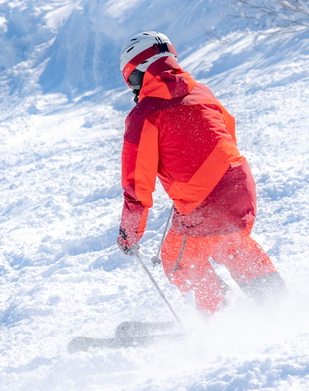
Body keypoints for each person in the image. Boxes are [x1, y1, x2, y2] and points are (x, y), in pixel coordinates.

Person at [115, 31, 285, 315]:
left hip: (205, 201)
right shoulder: (202, 92)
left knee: (177, 258)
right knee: (231, 245)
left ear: (139, 72)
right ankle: (278, 304)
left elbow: (136, 184)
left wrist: (130, 233)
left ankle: (220, 317)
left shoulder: (145, 114)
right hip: (240, 185)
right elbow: (224, 135)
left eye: (130, 79)